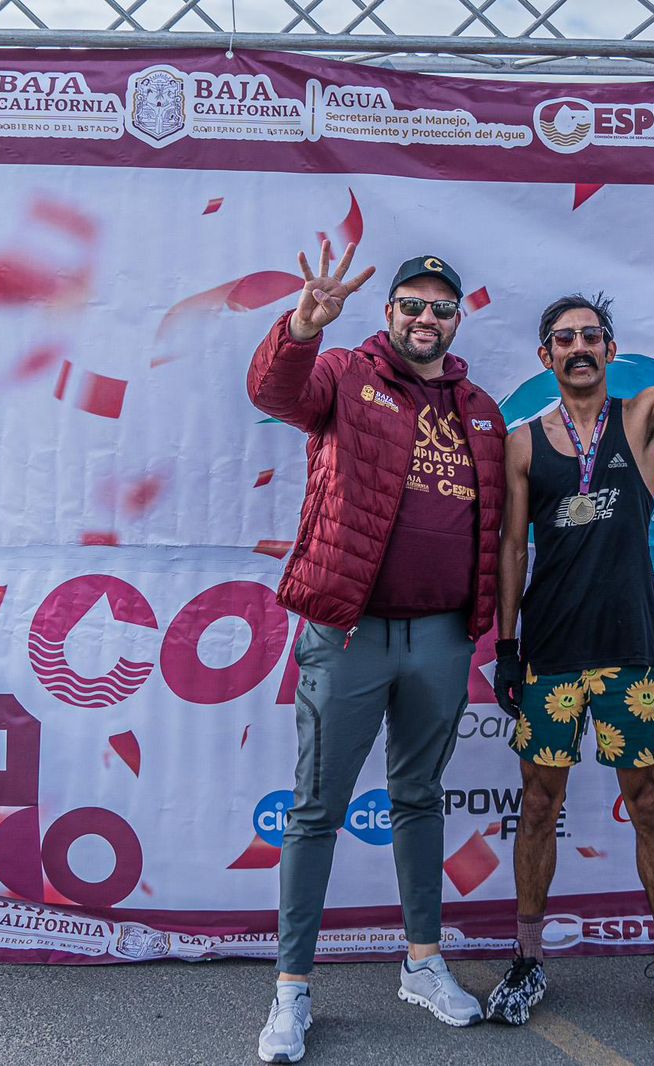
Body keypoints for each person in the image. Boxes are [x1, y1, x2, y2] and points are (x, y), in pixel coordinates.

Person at [486, 231, 654, 1033]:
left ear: (610, 349)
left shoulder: (640, 421)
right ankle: (528, 961)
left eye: (590, 336)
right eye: (564, 338)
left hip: (627, 652)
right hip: (551, 655)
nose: (579, 348)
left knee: (648, 805)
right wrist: (507, 647)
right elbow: (511, 547)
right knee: (539, 805)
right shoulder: (523, 441)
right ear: (545, 356)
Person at [246, 242, 507, 1063]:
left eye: (441, 307)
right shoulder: (346, 376)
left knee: (419, 798)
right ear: (389, 312)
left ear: (456, 320)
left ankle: (423, 963)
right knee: (316, 809)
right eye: (412, 305)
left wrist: (484, 625)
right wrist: (301, 328)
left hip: (442, 637)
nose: (426, 318)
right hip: (350, 633)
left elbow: (493, 526)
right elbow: (276, 392)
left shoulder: (483, 410)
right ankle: (292, 990)